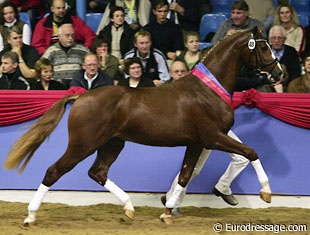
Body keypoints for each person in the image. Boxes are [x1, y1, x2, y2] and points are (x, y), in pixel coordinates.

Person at [31, 0, 96, 56]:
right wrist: (48, 53)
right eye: (58, 8)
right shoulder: (42, 24)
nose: (61, 10)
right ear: (52, 9)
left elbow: (90, 36)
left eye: (63, 8)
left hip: (73, 54)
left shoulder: (76, 21)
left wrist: (83, 49)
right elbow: (37, 44)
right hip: (51, 55)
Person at [42, 23, 90, 88]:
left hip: (78, 88)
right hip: (56, 88)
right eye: (67, 35)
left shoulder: (83, 51)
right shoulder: (51, 51)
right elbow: (41, 69)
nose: (70, 38)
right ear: (59, 36)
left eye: (72, 35)